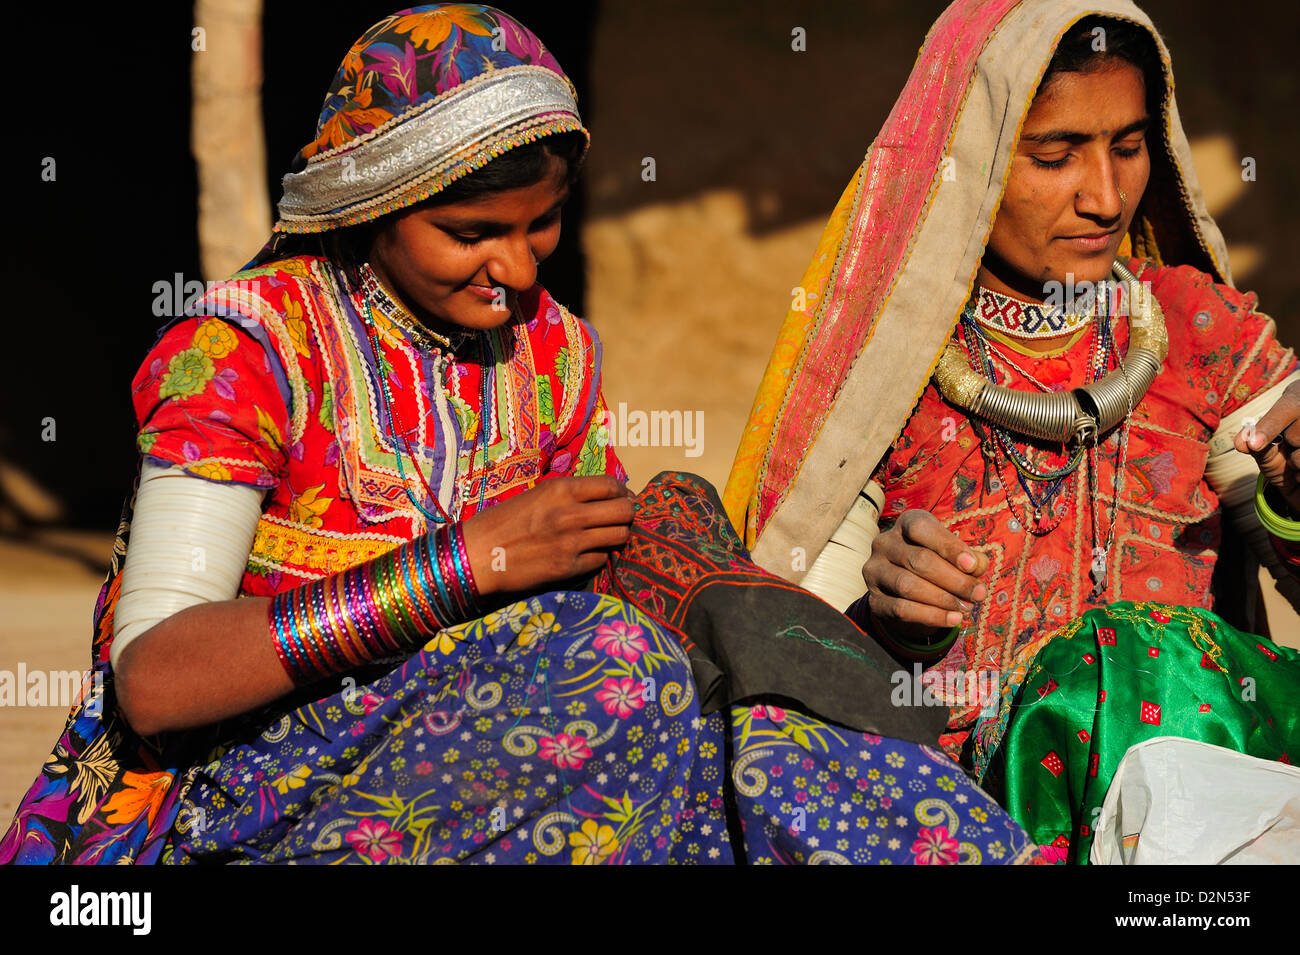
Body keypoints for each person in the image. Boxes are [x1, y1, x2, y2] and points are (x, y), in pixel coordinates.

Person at [2, 4, 1041, 866]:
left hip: (502, 748)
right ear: (373, 201)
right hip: (246, 791)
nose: (517, 267)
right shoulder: (248, 351)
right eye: (471, 234)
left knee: (707, 648)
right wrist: (465, 565)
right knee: (622, 666)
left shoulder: (550, 355)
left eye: (539, 224)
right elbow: (158, 678)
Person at [725, 0, 1300, 860]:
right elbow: (786, 668)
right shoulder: (888, 375)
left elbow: (1284, 526)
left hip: (1187, 827)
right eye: (1056, 155)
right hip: (956, 825)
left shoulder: (1199, 332)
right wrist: (887, 620)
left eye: (1130, 147)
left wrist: (1294, 494)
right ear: (973, 159)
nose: (1105, 198)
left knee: (1135, 658)